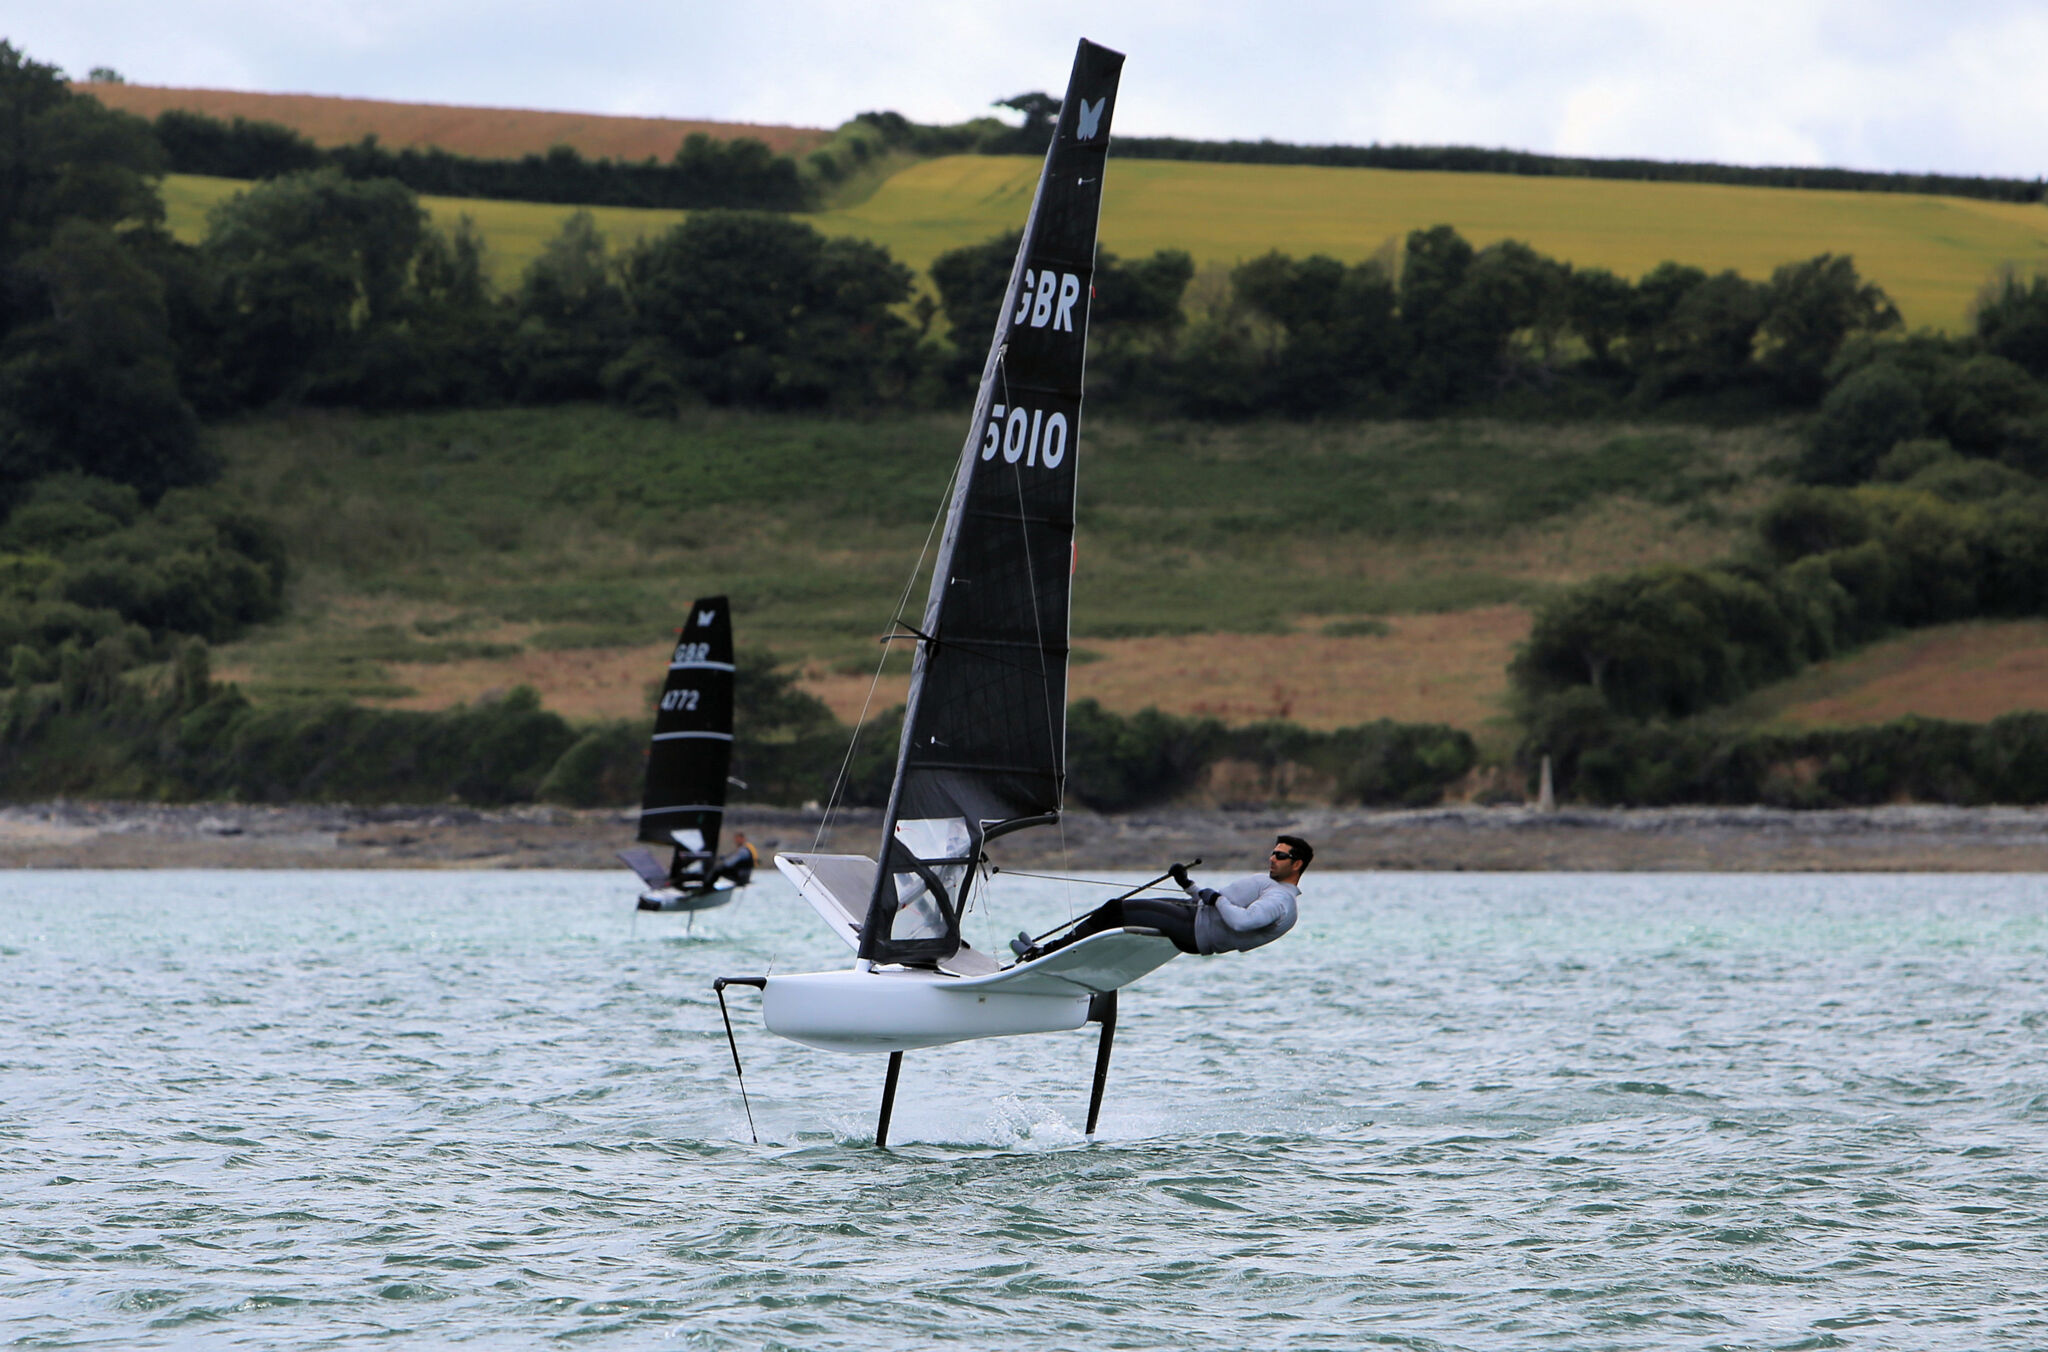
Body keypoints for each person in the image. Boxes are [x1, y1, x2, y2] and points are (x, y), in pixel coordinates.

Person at [1011, 835, 1310, 963]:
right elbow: (1215, 902)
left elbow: (1241, 922)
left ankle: (1043, 955)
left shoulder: (1281, 902)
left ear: (1297, 864)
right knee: (1113, 912)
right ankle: (1050, 950)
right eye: (1273, 852)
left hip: (1195, 931)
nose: (1272, 858)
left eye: (1280, 856)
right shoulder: (1272, 887)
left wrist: (1215, 898)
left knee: (1114, 911)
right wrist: (1188, 885)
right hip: (1195, 914)